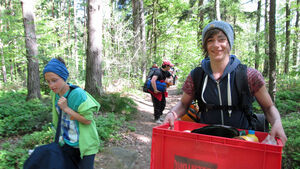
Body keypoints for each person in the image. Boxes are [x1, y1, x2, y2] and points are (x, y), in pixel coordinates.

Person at [163, 20, 287, 145]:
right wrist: (172, 113)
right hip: (206, 143)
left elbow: (269, 107)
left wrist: (277, 123)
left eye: (221, 39)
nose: (216, 45)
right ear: (205, 45)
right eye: (210, 40)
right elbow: (184, 104)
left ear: (229, 43)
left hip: (242, 144)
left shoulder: (249, 75)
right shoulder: (197, 75)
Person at [43, 57, 100, 169]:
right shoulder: (54, 93)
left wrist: (67, 109)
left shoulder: (77, 95)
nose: (51, 85)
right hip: (67, 142)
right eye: (48, 81)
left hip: (85, 144)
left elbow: (88, 120)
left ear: (64, 77)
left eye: (54, 80)